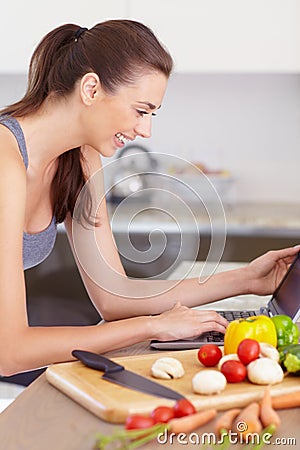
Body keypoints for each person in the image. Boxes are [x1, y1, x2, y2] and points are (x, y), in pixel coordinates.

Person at [0, 19, 298, 381]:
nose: (146, 130)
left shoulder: (78, 157)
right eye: (141, 110)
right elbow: (10, 352)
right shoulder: (5, 159)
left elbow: (114, 296)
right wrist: (152, 327)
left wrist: (247, 278)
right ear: (91, 89)